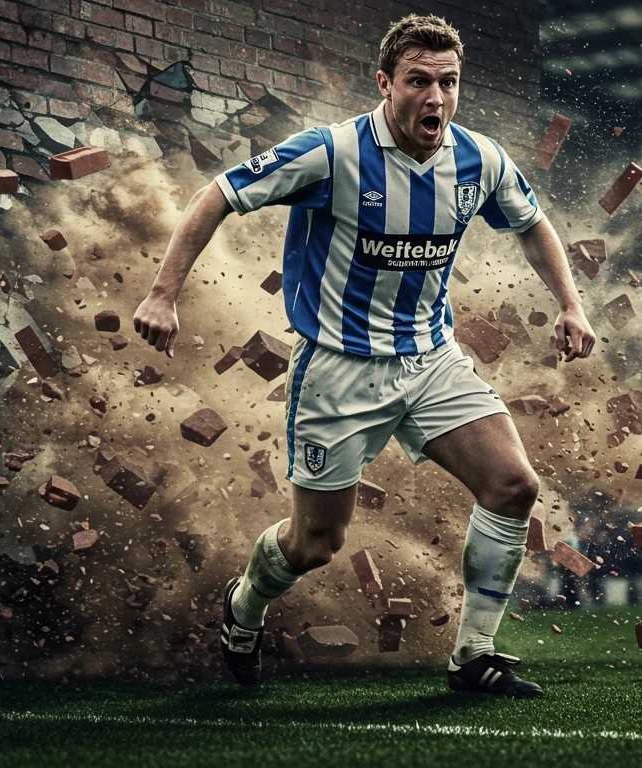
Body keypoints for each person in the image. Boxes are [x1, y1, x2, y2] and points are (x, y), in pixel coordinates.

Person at [132, 14, 596, 698]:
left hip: (430, 358)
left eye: (448, 83)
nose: (435, 97)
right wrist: (162, 293)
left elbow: (532, 224)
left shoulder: (480, 159)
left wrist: (570, 304)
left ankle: (473, 656)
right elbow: (218, 195)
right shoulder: (332, 153)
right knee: (314, 545)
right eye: (418, 81)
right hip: (338, 370)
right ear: (385, 83)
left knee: (513, 486)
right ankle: (244, 604)